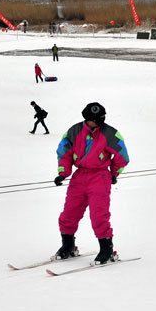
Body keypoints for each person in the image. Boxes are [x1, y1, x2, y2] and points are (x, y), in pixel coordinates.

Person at [53, 102, 130, 265]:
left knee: (98, 215)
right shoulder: (74, 131)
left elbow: (123, 156)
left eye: (100, 119)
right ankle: (68, 246)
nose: (97, 122)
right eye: (93, 119)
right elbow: (64, 152)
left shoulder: (110, 133)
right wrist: (62, 173)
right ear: (87, 119)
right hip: (79, 176)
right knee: (69, 214)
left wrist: (113, 173)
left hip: (100, 177)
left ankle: (107, 249)